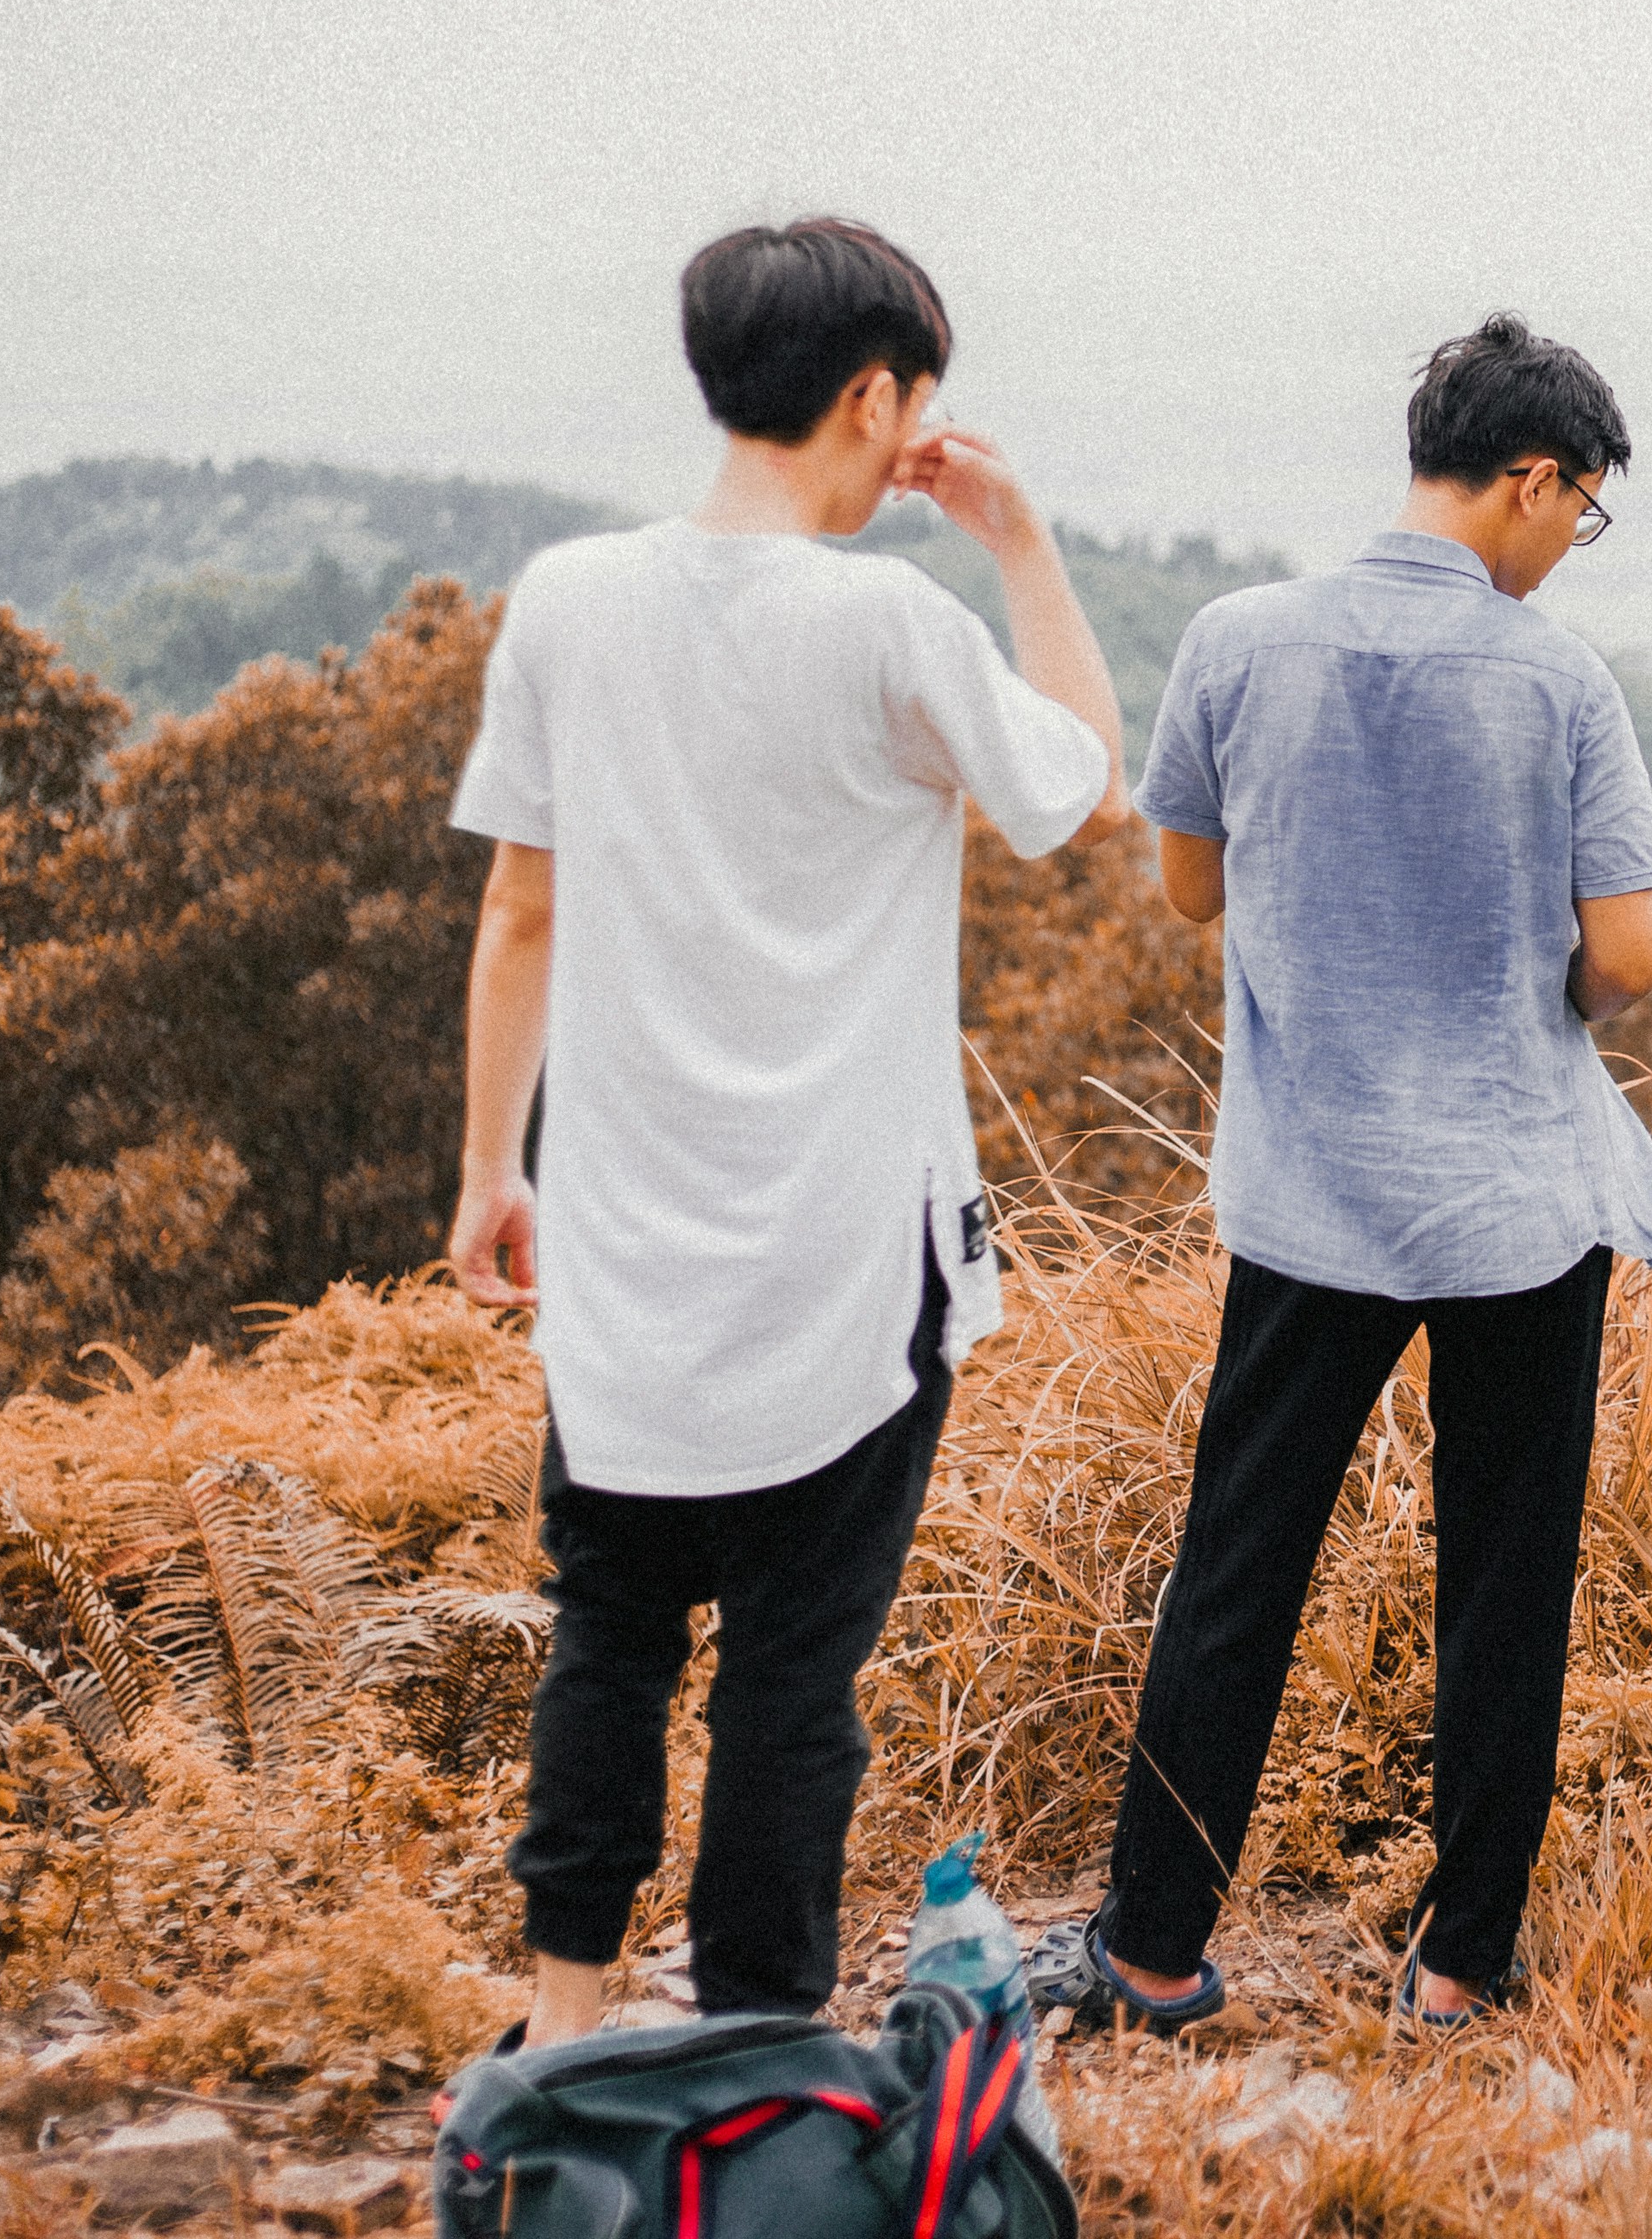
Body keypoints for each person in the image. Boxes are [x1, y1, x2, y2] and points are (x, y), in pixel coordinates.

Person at [445, 217, 1133, 2047]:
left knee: (608, 1638)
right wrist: (1018, 535)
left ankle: (566, 2024)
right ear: (874, 397)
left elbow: (522, 907)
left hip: (622, 1241)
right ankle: (757, 2045)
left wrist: (488, 1169)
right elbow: (1078, 780)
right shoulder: (894, 625)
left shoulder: (566, 599)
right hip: (849, 1255)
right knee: (789, 1678)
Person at [1039, 313, 1652, 2036]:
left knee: (1237, 1567)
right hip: (1514, 1203)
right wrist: (1521, 980)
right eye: (1584, 513)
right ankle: (1461, 1970)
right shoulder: (1557, 682)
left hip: (1310, 1191)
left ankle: (1154, 1949)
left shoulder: (1237, 640)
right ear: (1535, 478)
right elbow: (1626, 959)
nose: (1571, 548)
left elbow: (1191, 888)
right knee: (1502, 1587)